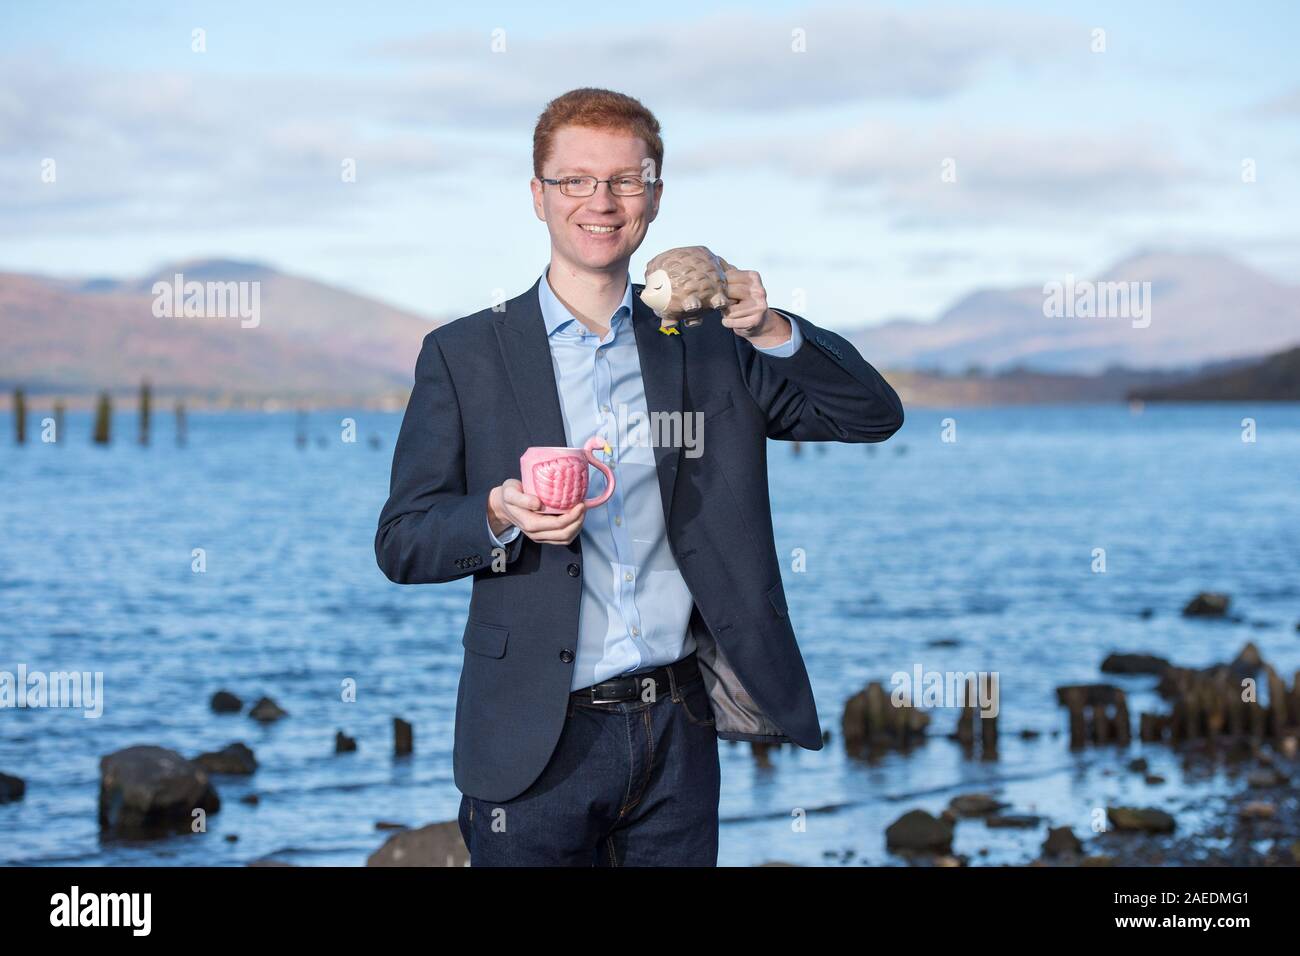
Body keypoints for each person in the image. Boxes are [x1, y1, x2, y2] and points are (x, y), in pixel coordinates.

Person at [375, 87, 904, 866]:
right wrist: (495, 516)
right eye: (575, 180)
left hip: (678, 732)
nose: (602, 200)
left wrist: (772, 327)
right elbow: (402, 542)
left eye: (626, 179)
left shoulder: (710, 344)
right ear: (538, 195)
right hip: (530, 740)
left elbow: (871, 415)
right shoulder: (463, 356)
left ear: (654, 195)